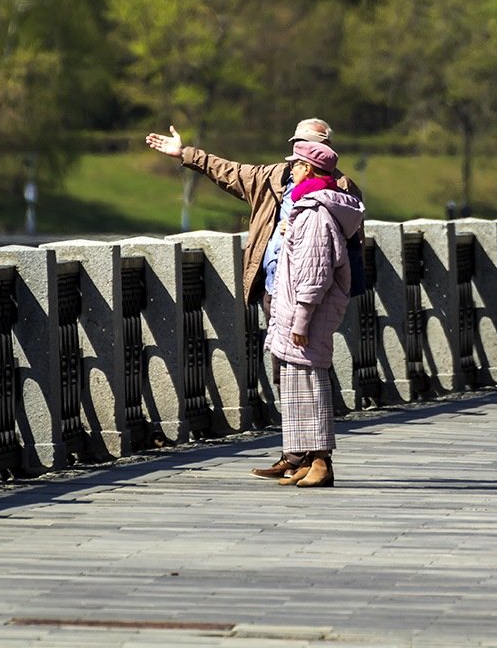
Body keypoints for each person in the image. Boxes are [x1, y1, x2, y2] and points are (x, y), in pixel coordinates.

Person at [144, 118, 363, 479]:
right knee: (287, 374)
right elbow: (229, 171)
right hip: (275, 289)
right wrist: (184, 154)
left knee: (308, 372)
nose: (295, 157)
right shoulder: (275, 178)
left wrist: (310, 307)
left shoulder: (333, 191)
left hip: (309, 294)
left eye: (304, 149)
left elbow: (321, 259)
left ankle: (317, 457)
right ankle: (296, 455)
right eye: (296, 145)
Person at [265, 140, 364, 488]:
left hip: (307, 312)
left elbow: (315, 271)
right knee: (297, 386)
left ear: (307, 169)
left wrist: (302, 319)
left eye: (295, 164)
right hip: (299, 309)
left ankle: (321, 461)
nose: (290, 169)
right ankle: (308, 460)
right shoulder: (310, 208)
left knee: (309, 386)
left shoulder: (315, 211)